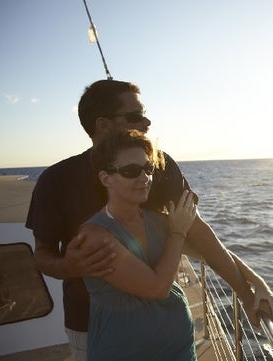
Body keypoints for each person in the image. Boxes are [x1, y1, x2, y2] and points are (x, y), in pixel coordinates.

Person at [26, 79, 273, 361]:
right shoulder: (55, 180)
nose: (147, 122)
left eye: (146, 169)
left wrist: (247, 292)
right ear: (103, 125)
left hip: (168, 331)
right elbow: (42, 255)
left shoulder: (158, 165)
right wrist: (68, 266)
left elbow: (197, 232)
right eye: (135, 116)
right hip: (93, 326)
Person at [83, 128, 198, 360]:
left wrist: (254, 283)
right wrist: (177, 234)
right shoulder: (95, 236)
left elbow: (206, 252)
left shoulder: (155, 220)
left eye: (148, 169)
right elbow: (157, 289)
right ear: (106, 178)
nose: (144, 178)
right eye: (131, 171)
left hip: (180, 351)